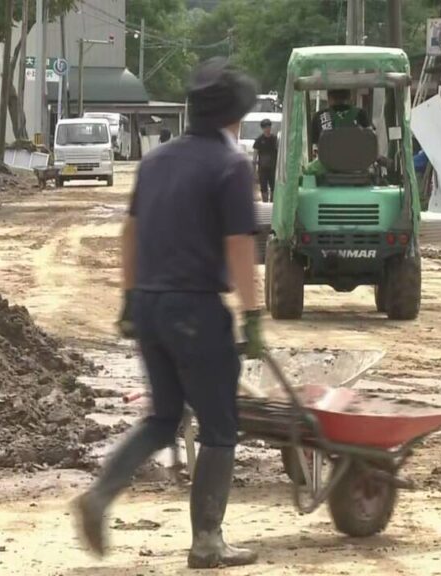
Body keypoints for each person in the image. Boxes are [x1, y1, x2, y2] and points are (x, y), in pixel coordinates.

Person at [73, 58, 264, 570]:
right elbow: (239, 246)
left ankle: (99, 496)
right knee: (220, 427)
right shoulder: (230, 165)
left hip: (150, 305)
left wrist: (128, 299)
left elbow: (130, 232)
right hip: (195, 308)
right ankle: (207, 541)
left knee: (162, 418)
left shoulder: (156, 161)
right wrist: (253, 315)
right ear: (235, 115)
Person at [252, 118, 278, 202]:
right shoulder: (259, 140)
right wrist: (254, 170)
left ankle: (273, 203)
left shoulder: (275, 139)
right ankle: (265, 203)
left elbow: (279, 151)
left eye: (269, 127)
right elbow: (255, 155)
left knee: (274, 187)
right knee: (263, 188)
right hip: (262, 168)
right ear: (262, 128)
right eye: (265, 127)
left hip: (273, 167)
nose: (267, 129)